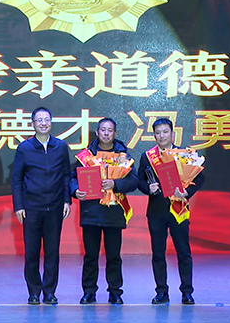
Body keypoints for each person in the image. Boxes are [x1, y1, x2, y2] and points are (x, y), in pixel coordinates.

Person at [70, 118, 138, 305]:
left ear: (114, 133)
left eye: (110, 130)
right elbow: (72, 178)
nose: (106, 133)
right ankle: (89, 292)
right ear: (97, 132)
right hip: (91, 212)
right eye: (103, 130)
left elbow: (134, 180)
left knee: (113, 256)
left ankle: (115, 292)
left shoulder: (123, 155)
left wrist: (116, 184)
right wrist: (75, 191)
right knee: (90, 256)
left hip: (113, 212)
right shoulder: (86, 155)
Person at [137, 118, 204, 305]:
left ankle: (187, 292)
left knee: (183, 252)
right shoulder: (147, 156)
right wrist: (147, 188)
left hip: (178, 209)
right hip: (156, 212)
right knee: (158, 254)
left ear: (173, 134)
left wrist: (187, 192)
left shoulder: (184, 155)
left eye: (165, 132)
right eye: (158, 132)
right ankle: (161, 292)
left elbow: (200, 178)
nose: (162, 136)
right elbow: (139, 180)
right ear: (154, 135)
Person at [11, 107, 72, 305]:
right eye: (39, 120)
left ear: (51, 123)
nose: (43, 123)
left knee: (52, 252)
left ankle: (50, 292)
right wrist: (19, 205)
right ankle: (34, 292)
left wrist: (67, 200)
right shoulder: (25, 148)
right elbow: (17, 179)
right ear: (33, 124)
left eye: (47, 119)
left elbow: (66, 175)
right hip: (32, 209)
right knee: (32, 253)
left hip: (54, 207)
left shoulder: (60, 146)